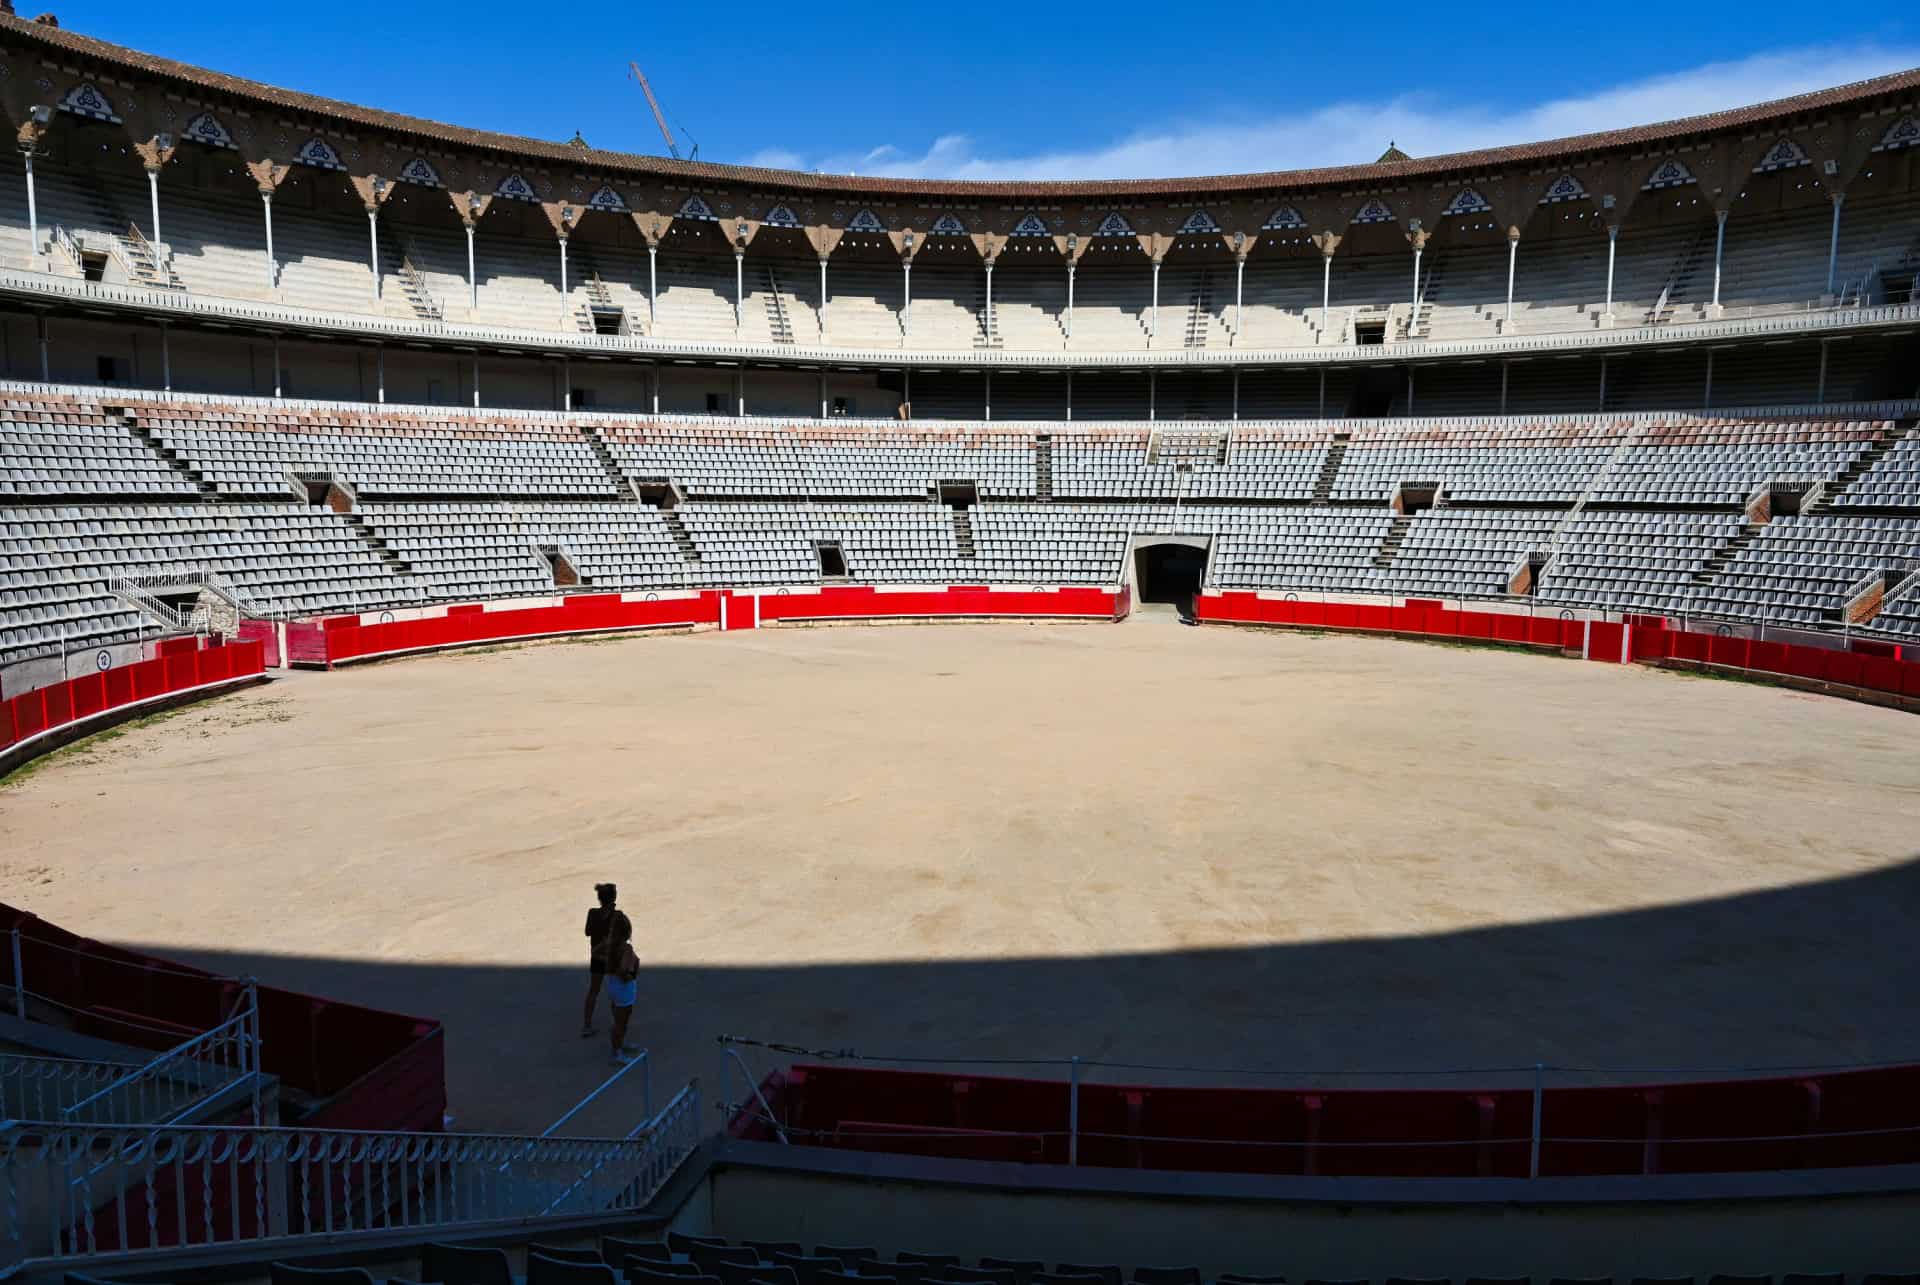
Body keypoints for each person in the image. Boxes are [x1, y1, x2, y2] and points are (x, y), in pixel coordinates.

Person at [580, 883, 628, 1038]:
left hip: (597, 957)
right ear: (614, 898)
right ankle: (617, 1025)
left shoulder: (592, 913)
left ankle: (587, 1025)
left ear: (599, 899)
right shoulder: (618, 916)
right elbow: (625, 936)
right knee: (616, 992)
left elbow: (588, 932)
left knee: (594, 990)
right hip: (612, 959)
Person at [604, 916, 640, 1065]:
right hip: (623, 988)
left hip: (612, 985)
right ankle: (617, 1051)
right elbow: (624, 971)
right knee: (621, 1021)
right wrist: (631, 975)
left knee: (618, 1018)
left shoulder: (609, 946)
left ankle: (620, 1044)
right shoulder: (626, 949)